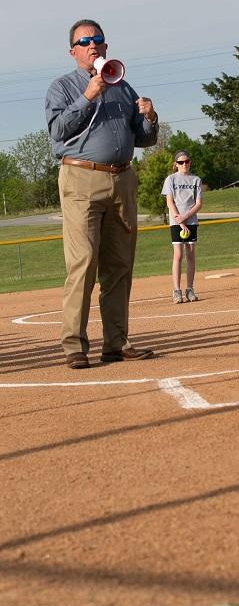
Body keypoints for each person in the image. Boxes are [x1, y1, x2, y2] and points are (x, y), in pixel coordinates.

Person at [46, 19, 159, 368]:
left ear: (106, 47)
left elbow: (143, 139)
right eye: (84, 41)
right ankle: (74, 346)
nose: (92, 45)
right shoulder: (62, 87)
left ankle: (116, 342)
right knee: (83, 263)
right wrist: (87, 96)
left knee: (120, 265)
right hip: (81, 179)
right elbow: (58, 132)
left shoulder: (122, 85)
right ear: (73, 51)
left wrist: (150, 118)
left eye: (98, 39)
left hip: (122, 180)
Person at [161, 151, 203, 303]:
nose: (184, 164)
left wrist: (186, 218)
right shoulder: (170, 179)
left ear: (190, 162)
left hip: (191, 221)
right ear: (175, 164)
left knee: (190, 255)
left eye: (187, 161)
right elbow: (169, 202)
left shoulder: (196, 180)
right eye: (180, 162)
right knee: (178, 255)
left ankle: (190, 289)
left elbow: (198, 204)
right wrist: (180, 221)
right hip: (176, 221)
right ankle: (177, 291)